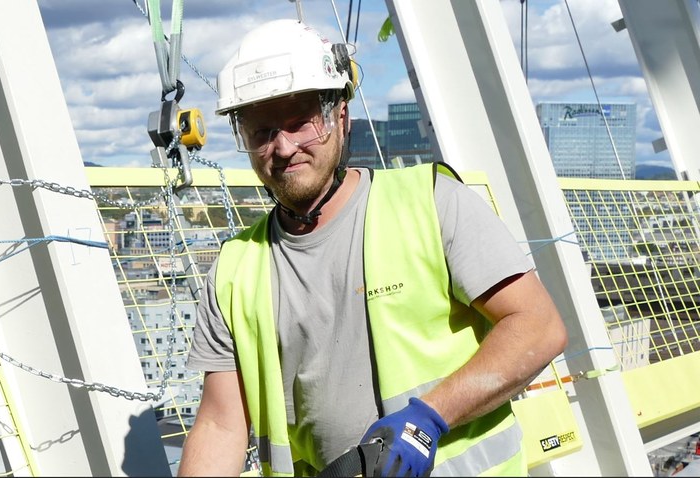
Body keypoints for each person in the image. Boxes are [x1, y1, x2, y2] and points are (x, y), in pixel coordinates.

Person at [177, 18, 568, 477]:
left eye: (300, 124)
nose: (282, 148)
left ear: (340, 117)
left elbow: (538, 327)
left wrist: (429, 418)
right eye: (261, 133)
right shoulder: (233, 272)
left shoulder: (430, 201)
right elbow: (222, 425)